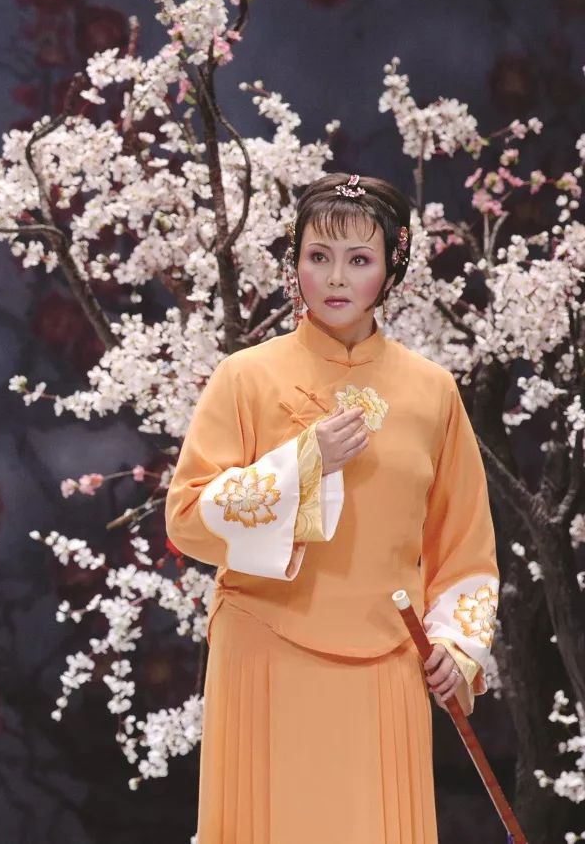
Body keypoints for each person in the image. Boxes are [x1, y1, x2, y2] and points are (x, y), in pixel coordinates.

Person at [165, 173, 499, 843]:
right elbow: (187, 517)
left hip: (388, 655)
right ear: (294, 261)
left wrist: (457, 646)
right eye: (318, 256)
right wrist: (300, 465)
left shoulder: (433, 392)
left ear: (391, 269)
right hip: (263, 648)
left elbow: (466, 549)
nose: (336, 277)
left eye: (360, 259)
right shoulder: (245, 377)